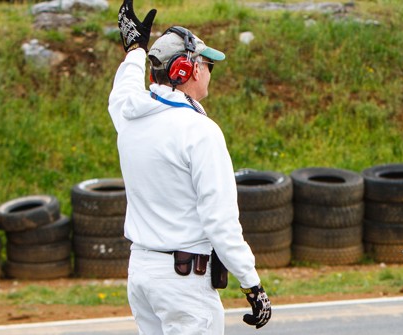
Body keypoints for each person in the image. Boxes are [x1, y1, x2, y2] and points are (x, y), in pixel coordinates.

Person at [111, 0, 271, 333]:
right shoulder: (200, 131)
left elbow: (122, 91)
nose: (209, 72)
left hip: (142, 274)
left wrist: (135, 52)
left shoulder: (130, 115)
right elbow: (220, 221)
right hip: (184, 282)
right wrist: (252, 284)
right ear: (189, 69)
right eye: (206, 64)